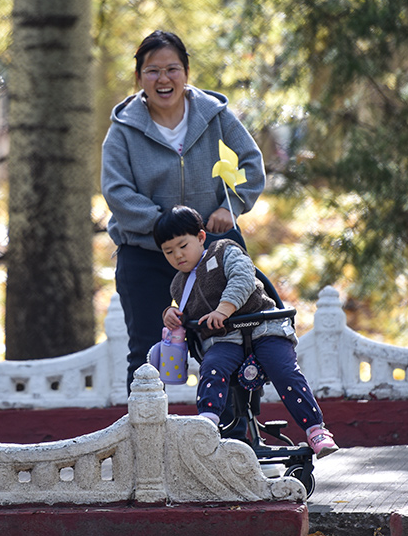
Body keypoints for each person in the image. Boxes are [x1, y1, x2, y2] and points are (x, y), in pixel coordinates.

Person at [101, 30, 266, 395]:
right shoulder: (123, 129)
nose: (163, 79)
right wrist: (162, 225)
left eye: (172, 69)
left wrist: (231, 206)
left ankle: (236, 435)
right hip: (145, 253)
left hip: (212, 253)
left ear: (186, 73)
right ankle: (146, 441)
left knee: (236, 341)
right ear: (139, 77)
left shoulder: (214, 115)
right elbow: (116, 191)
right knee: (146, 352)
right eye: (152, 71)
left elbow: (252, 164)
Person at [153, 205, 339, 459]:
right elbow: (188, 315)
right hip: (224, 340)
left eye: (183, 246)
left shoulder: (225, 251)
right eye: (168, 252)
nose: (178, 256)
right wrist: (172, 315)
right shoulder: (179, 284)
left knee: (284, 371)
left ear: (200, 237)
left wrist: (223, 310)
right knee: (213, 367)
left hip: (265, 329)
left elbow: (244, 278)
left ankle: (315, 429)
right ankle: (206, 426)